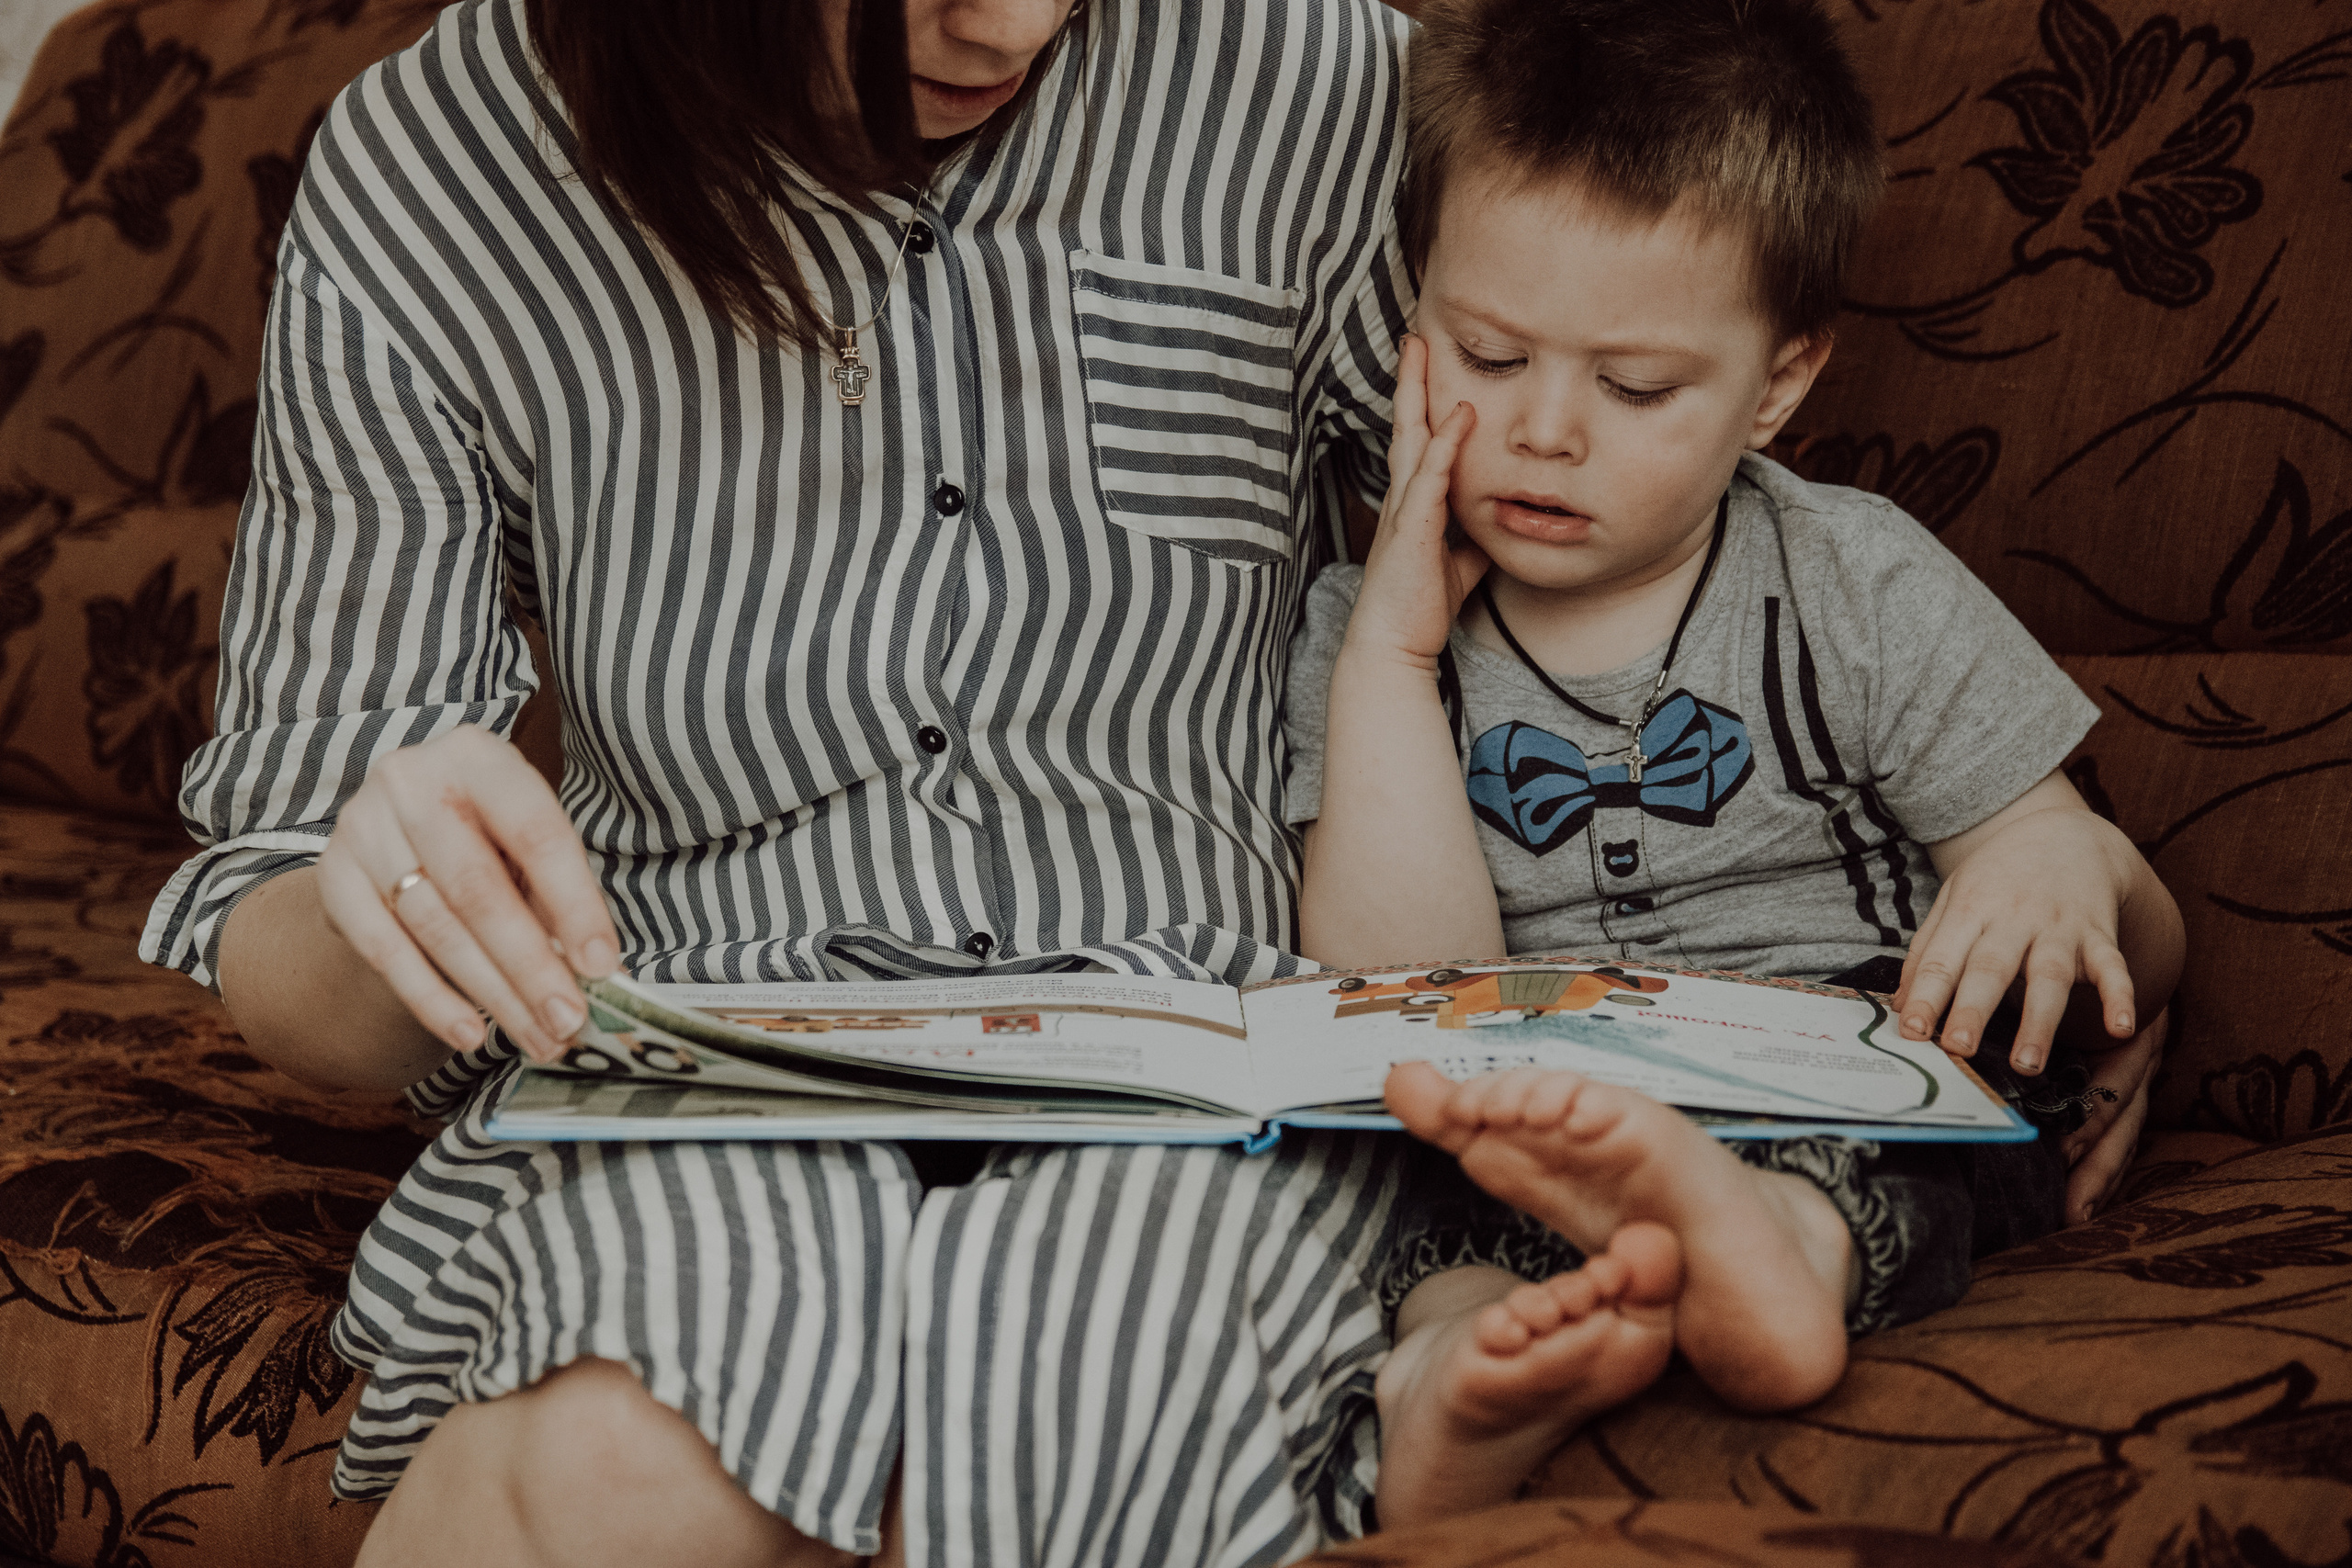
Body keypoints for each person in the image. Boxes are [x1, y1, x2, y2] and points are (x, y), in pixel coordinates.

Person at [139, 0, 1424, 1561]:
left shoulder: (1334, 86)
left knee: (1072, 1400)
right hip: (705, 1057)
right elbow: (282, 914)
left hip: (1200, 1060)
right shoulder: (435, 163)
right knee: (612, 1460)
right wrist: (392, 892)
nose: (1009, 18)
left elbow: (1623, 534)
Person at [1280, 0, 2185, 1530]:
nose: (1545, 430)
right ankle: (1449, 1378)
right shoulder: (1361, 626)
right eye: (1487, 355)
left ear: (1776, 385)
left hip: (1840, 1063)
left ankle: (1775, 1248)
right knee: (1413, 1200)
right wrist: (1396, 662)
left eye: (1636, 390)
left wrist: (2053, 858)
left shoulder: (1857, 581)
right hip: (1534, 1103)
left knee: (1914, 1128)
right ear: (1412, 320)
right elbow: (1407, 993)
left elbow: (2135, 957)